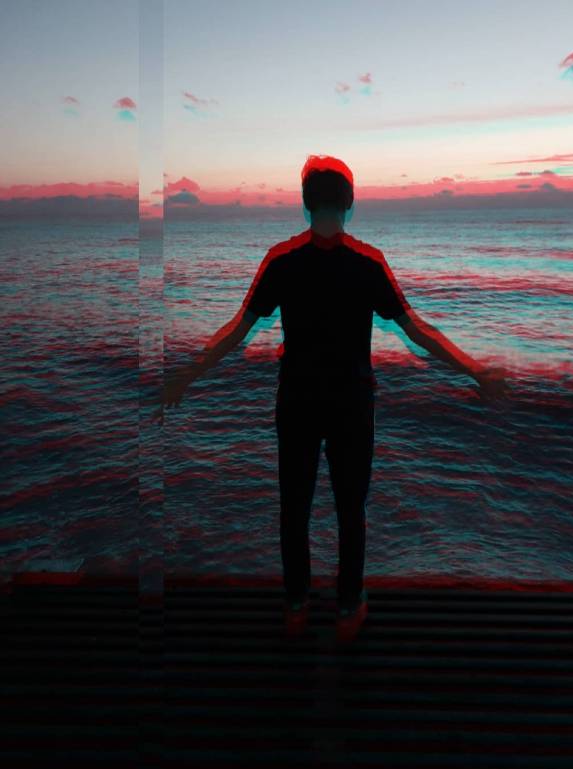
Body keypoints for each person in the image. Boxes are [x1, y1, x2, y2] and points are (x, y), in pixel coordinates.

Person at [154, 155, 509, 643]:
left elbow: (237, 330)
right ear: (349, 203)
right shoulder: (368, 262)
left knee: (294, 508)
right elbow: (417, 330)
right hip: (351, 402)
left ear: (305, 204)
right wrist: (474, 370)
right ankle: (347, 609)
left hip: (298, 400)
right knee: (350, 509)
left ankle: (296, 606)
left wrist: (187, 375)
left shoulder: (281, 260)